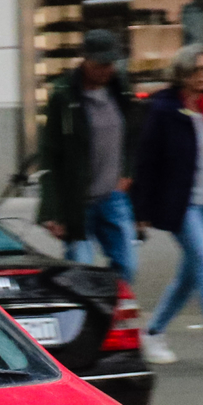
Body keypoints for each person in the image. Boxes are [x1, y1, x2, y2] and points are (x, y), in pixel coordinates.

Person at [131, 46, 203, 369]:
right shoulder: (164, 109)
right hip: (181, 205)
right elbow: (147, 162)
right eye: (198, 70)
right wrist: (140, 213)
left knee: (191, 275)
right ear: (182, 74)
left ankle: (153, 332)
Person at [33, 27, 141, 281]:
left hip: (113, 198)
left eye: (111, 63)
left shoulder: (120, 89)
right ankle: (83, 319)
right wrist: (52, 211)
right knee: (79, 273)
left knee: (127, 266)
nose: (107, 69)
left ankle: (109, 316)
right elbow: (49, 154)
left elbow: (134, 135)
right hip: (77, 202)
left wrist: (128, 171)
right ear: (85, 60)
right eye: (100, 64)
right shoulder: (63, 95)